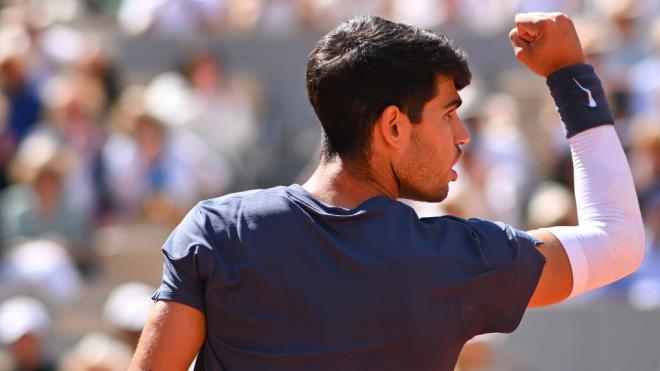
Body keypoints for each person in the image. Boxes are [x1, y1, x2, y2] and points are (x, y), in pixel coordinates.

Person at [130, 12, 645, 371]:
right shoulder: (457, 260)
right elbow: (618, 242)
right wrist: (570, 76)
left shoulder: (218, 230)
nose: (463, 135)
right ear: (394, 127)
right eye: (448, 113)